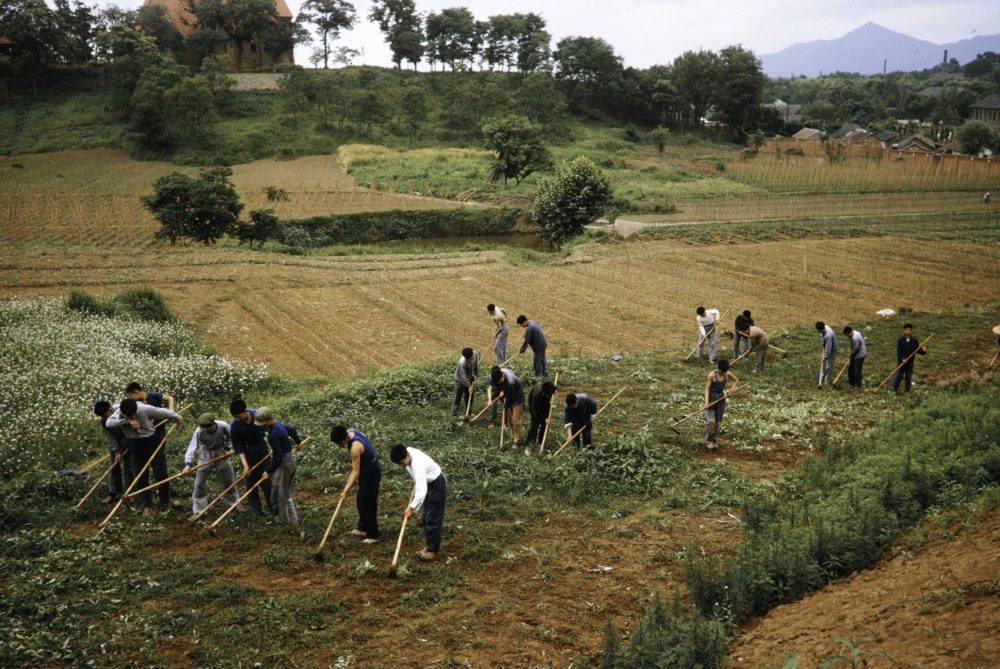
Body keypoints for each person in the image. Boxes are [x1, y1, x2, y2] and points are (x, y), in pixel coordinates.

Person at [105, 398, 183, 516]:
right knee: (140, 474)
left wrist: (176, 417)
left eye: (134, 414)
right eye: (129, 415)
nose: (133, 416)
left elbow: (165, 412)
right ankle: (146, 506)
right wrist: (127, 421)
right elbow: (108, 423)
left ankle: (165, 501)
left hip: (152, 440)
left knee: (161, 473)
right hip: (135, 444)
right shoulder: (119, 413)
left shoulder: (145, 409)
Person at [390, 443, 446, 561]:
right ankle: (430, 545)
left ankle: (432, 551)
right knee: (426, 517)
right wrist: (416, 479)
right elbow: (419, 480)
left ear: (406, 455)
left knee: (432, 518)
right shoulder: (408, 452)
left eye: (401, 463)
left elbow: (421, 492)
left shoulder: (417, 464)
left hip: (436, 484)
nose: (401, 466)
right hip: (428, 482)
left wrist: (411, 508)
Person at [331, 425, 381, 543]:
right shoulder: (352, 432)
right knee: (361, 501)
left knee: (368, 504)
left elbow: (355, 473)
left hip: (370, 474)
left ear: (344, 439)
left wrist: (346, 491)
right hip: (365, 471)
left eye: (338, 443)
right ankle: (363, 528)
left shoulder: (355, 448)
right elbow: (363, 435)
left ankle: (374, 535)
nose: (338, 446)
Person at [255, 407, 302, 531]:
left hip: (285, 463)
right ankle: (282, 520)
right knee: (276, 491)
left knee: (283, 496)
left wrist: (268, 471)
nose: (263, 426)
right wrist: (298, 441)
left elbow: (278, 457)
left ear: (270, 419)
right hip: (285, 460)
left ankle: (290, 524)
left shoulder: (273, 435)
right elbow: (291, 430)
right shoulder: (278, 425)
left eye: (264, 423)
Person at [183, 413, 238, 518]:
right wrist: (188, 464)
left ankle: (234, 505)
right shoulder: (199, 431)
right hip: (206, 454)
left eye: (207, 428)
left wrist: (228, 448)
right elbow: (192, 447)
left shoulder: (223, 426)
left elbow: (231, 437)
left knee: (228, 480)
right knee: (199, 483)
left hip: (221, 452)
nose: (205, 430)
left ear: (213, 424)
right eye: (203, 428)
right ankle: (199, 511)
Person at [229, 399, 273, 517]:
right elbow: (238, 447)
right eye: (235, 417)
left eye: (238, 416)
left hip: (261, 448)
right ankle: (257, 513)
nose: (237, 419)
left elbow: (270, 427)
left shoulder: (257, 415)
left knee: (267, 480)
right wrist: (245, 465)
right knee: (250, 482)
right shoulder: (234, 426)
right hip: (247, 453)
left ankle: (274, 510)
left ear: (245, 411)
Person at [93, 400, 131, 504]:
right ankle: (113, 493)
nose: (106, 418)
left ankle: (128, 494)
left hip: (129, 440)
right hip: (116, 442)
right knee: (113, 466)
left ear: (110, 409)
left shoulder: (121, 410)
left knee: (129, 467)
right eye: (103, 416)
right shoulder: (103, 420)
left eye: (106, 415)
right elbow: (110, 437)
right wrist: (117, 452)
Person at [704, 359, 738, 450]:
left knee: (718, 422)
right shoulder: (712, 375)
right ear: (718, 368)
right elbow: (707, 389)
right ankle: (709, 441)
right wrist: (706, 402)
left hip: (721, 399)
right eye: (721, 371)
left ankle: (714, 440)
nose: (722, 373)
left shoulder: (727, 374)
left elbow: (735, 380)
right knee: (711, 422)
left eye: (724, 372)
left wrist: (731, 390)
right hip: (712, 399)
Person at [488, 366, 524, 446]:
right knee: (510, 418)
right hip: (508, 394)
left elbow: (510, 398)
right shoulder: (497, 374)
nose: (499, 383)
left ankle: (517, 440)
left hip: (517, 397)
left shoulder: (511, 382)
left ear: (502, 376)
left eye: (499, 381)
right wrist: (503, 391)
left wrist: (505, 403)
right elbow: (497, 387)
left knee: (515, 419)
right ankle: (513, 436)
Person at [893, 323, 927, 393]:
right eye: (906, 330)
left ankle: (907, 391)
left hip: (910, 363)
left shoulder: (914, 341)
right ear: (904, 330)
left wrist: (924, 350)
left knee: (908, 377)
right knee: (899, 376)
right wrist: (902, 359)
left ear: (911, 331)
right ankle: (895, 390)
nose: (907, 332)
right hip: (901, 362)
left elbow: (918, 350)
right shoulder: (900, 341)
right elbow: (899, 352)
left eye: (909, 330)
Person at [525, 380, 557, 455]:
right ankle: (528, 446)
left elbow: (555, 389)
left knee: (545, 425)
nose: (549, 396)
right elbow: (536, 411)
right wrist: (544, 419)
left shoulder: (550, 386)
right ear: (543, 393)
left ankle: (540, 443)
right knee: (534, 426)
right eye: (548, 395)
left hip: (546, 405)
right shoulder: (536, 395)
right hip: (535, 408)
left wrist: (552, 395)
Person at [452, 347, 479, 416]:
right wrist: (469, 386)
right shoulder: (462, 363)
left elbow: (475, 364)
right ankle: (454, 413)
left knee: (470, 394)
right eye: (467, 359)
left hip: (469, 376)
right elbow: (463, 377)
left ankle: (469, 411)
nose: (469, 359)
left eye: (469, 358)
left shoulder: (475, 354)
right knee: (458, 395)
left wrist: (475, 374)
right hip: (459, 379)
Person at [815, 321, 838, 386]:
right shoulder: (824, 328)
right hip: (826, 348)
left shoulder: (828, 335)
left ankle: (827, 381)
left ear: (823, 328)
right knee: (824, 364)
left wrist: (824, 358)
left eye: (822, 330)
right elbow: (823, 339)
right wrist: (823, 346)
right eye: (820, 330)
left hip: (832, 350)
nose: (822, 331)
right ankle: (821, 379)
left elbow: (828, 349)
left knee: (829, 365)